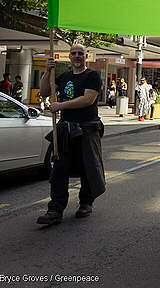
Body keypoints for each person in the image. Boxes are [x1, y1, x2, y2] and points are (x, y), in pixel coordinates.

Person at [36, 44, 105, 225]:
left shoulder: (92, 76)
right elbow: (44, 92)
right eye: (73, 53)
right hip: (66, 129)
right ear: (69, 57)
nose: (76, 56)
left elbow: (88, 99)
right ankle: (55, 210)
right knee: (59, 168)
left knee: (87, 167)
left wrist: (61, 106)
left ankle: (86, 203)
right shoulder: (64, 76)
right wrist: (46, 72)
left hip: (87, 129)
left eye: (80, 54)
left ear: (86, 56)